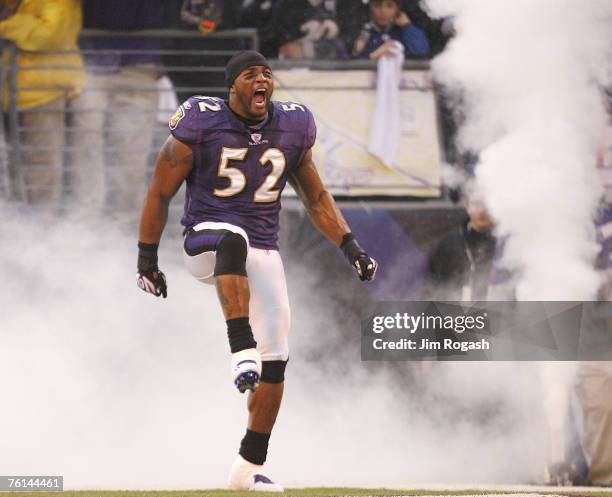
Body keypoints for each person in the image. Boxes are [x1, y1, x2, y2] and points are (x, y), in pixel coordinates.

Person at [135, 50, 378, 492]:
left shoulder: (293, 125)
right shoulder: (201, 120)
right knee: (233, 240)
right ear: (233, 86)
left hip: (263, 249)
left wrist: (351, 246)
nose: (262, 80)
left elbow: (317, 199)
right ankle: (238, 348)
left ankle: (248, 466)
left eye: (267, 74)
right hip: (206, 241)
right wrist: (146, 259)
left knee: (277, 359)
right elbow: (158, 192)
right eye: (251, 75)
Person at [0, 0, 83, 207]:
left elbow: (48, 34)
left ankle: (42, 225)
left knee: (43, 165)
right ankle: (20, 221)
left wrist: (6, 25)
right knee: (14, 164)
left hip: (45, 92)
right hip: (13, 93)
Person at [353, 0, 430, 60]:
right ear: (370, 8)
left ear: (397, 9)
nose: (383, 11)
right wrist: (373, 57)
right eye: (377, 6)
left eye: (389, 6)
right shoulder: (364, 32)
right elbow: (351, 63)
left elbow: (421, 52)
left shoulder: (404, 30)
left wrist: (407, 26)